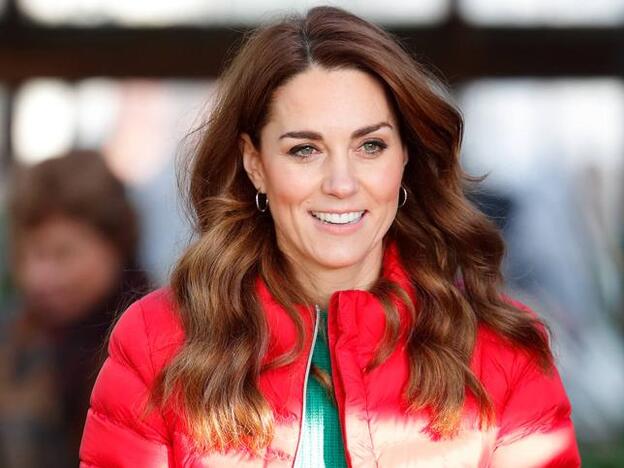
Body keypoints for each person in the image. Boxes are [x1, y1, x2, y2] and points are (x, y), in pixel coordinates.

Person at [80, 6, 580, 467]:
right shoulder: (158, 341)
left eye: (370, 145)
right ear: (255, 163)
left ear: (405, 158)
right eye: (305, 150)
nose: (341, 183)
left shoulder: (503, 351)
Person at [0, 150, 150, 467]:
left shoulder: (161, 340)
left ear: (115, 245)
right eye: (29, 254)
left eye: (63, 253)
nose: (38, 277)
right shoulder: (14, 342)